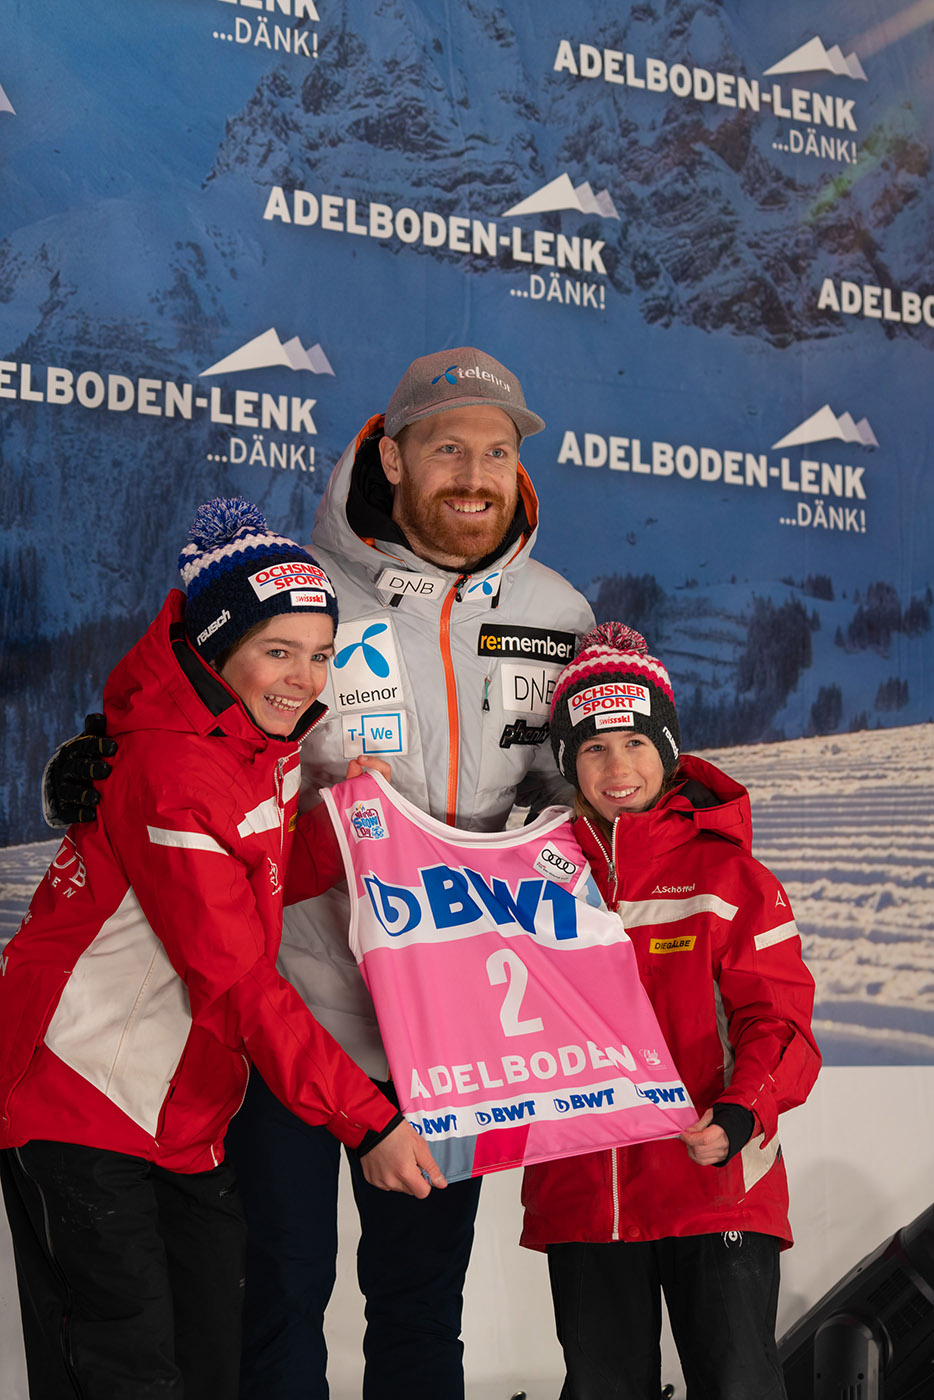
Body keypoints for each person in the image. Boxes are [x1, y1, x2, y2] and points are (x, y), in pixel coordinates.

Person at [45, 348, 595, 1400]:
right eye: (445, 448)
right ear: (391, 456)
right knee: (278, 1297)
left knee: (422, 1304)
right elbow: (178, 705)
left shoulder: (559, 612)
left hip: (451, 1034)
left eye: (494, 449)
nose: (473, 474)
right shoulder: (301, 587)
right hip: (294, 1007)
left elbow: (597, 779)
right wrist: (97, 751)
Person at [0, 498, 443, 1400]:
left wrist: (348, 826)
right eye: (278, 651)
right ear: (214, 646)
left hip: (184, 1119)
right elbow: (238, 977)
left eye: (320, 655)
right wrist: (368, 1119)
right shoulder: (172, 770)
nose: (305, 678)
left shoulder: (257, 745)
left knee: (211, 1367)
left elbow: (263, 877)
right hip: (81, 1102)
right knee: (121, 1374)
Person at [520, 621, 821, 1400]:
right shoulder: (531, 879)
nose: (617, 768)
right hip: (586, 1197)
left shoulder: (731, 877)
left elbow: (780, 1025)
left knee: (739, 1387)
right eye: (592, 748)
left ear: (669, 751)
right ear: (567, 761)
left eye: (636, 744)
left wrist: (740, 1113)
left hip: (712, 1183)